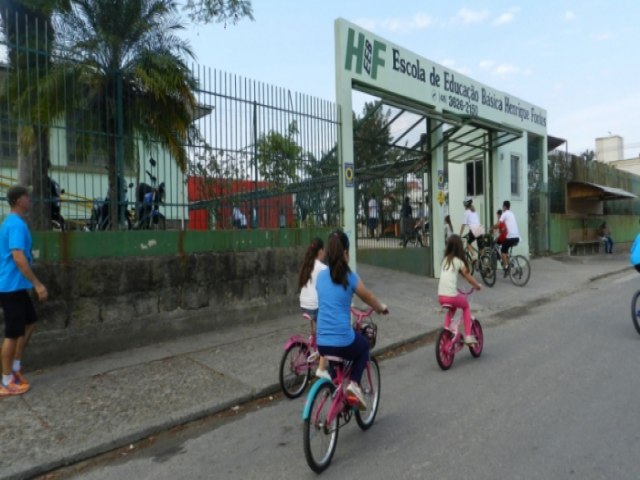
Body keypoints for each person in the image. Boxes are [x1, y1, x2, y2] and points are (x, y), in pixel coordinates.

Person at [316, 230, 388, 409]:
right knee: (363, 346)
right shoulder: (350, 278)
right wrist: (381, 308)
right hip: (342, 340)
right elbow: (368, 296)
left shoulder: (320, 277)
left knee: (335, 358)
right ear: (346, 253)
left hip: (322, 342)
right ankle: (354, 384)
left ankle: (337, 390)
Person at [0, 186, 48, 397]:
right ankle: (6, 380)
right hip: (11, 286)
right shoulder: (16, 225)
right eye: (27, 196)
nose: (30, 199)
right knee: (12, 333)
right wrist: (38, 284)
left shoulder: (12, 223)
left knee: (30, 322)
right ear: (19, 200)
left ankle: (16, 368)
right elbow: (18, 257)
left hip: (16, 286)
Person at [438, 234, 482, 345]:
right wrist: (477, 285)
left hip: (441, 296)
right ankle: (468, 336)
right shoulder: (458, 261)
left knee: (451, 309)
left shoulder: (445, 260)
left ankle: (446, 330)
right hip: (451, 296)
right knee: (466, 306)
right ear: (459, 247)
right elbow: (468, 277)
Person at [298, 237, 329, 380]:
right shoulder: (323, 268)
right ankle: (322, 365)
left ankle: (315, 348)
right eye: (324, 250)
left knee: (317, 329)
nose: (325, 253)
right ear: (320, 251)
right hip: (315, 307)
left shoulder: (307, 264)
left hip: (304, 305)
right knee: (328, 333)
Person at [498, 200, 520, 276]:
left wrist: (491, 228)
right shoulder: (512, 213)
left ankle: (506, 267)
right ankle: (512, 265)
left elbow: (499, 223)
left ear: (504, 206)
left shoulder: (504, 214)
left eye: (502, 206)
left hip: (510, 237)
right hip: (517, 237)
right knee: (506, 249)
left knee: (502, 250)